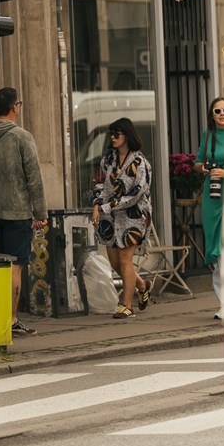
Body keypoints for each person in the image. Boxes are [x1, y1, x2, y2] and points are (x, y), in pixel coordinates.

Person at [0, 87, 47, 336]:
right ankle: (11, 319)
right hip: (16, 210)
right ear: (15, 107)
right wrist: (40, 212)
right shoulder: (21, 137)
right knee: (15, 266)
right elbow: (34, 177)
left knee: (0, 264)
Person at [92, 117, 153, 319]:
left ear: (127, 135)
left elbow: (136, 194)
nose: (112, 137)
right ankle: (142, 286)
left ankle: (127, 306)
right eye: (111, 134)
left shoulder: (140, 163)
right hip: (110, 218)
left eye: (116, 133)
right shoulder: (108, 159)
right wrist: (96, 205)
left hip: (132, 217)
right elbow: (99, 182)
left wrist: (107, 206)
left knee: (126, 260)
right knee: (115, 263)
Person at [194, 97, 224, 320]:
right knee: (217, 255)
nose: (222, 113)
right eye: (217, 111)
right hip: (212, 196)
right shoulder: (208, 135)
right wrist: (204, 168)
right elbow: (197, 162)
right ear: (212, 115)